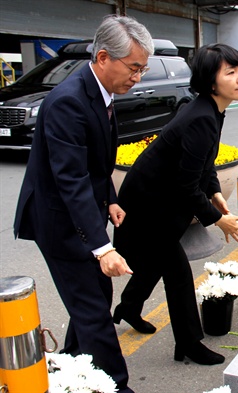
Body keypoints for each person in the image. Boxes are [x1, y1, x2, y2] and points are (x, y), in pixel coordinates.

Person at [13, 15, 154, 393]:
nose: (138, 78)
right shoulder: (68, 102)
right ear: (104, 57)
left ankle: (73, 363)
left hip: (85, 213)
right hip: (59, 222)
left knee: (94, 298)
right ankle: (117, 386)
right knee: (92, 308)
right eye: (134, 68)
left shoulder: (102, 93)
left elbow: (95, 162)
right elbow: (70, 178)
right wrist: (103, 247)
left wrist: (109, 198)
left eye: (143, 69)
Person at [112, 43, 238, 365]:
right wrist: (218, 219)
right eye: (230, 72)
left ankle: (128, 308)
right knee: (176, 271)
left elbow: (203, 164)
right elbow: (186, 184)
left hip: (160, 199)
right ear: (211, 81)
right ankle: (189, 343)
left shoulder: (209, 109)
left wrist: (215, 194)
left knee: (154, 263)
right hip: (147, 204)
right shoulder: (202, 116)